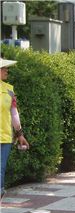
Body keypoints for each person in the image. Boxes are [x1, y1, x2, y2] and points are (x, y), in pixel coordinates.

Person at [1, 57, 29, 198]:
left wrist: (20, 134)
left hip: (5, 137)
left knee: (1, 170)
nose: (6, 70)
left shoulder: (9, 90)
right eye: (3, 68)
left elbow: (14, 113)